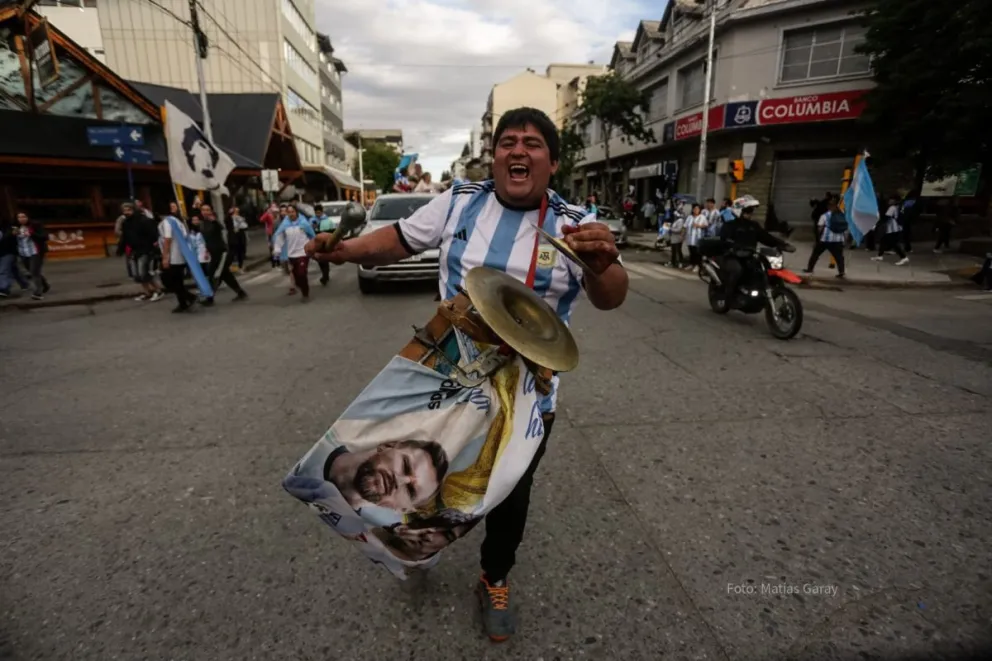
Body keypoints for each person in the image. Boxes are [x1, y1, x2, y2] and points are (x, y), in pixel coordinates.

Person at [306, 106, 628, 642]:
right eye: (508, 142)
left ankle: (494, 576)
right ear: (494, 155)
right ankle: (412, 547)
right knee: (419, 475)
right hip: (442, 378)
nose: (518, 151)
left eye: (532, 143)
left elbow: (611, 294)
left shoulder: (574, 223)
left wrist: (603, 264)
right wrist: (343, 251)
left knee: (507, 492)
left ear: (551, 162)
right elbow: (400, 239)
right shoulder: (460, 202)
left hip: (526, 396)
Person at [323, 440, 449, 514]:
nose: (400, 481)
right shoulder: (319, 442)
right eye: (405, 466)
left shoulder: (350, 535)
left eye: (410, 491)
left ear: (402, 509)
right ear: (388, 445)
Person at [719, 196, 793, 302]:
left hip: (750, 255)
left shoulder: (754, 225)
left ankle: (757, 289)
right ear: (739, 211)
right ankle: (729, 296)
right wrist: (732, 247)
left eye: (751, 211)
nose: (750, 214)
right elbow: (724, 239)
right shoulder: (730, 225)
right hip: (733, 256)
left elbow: (766, 237)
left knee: (762, 268)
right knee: (737, 270)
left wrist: (782, 244)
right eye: (748, 211)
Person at [199, 203, 248, 304]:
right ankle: (241, 293)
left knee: (214, 274)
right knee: (225, 274)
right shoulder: (202, 223)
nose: (205, 212)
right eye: (203, 210)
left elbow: (220, 226)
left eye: (207, 210)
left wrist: (215, 221)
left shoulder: (214, 222)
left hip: (222, 254)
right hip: (213, 254)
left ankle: (210, 298)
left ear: (211, 211)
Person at [117, 202, 165, 302]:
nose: (126, 212)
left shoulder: (143, 220)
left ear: (133, 210)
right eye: (124, 210)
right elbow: (124, 237)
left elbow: (153, 234)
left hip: (145, 250)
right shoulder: (125, 223)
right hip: (133, 250)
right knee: (136, 275)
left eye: (129, 210)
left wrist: (150, 246)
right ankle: (147, 292)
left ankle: (158, 290)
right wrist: (120, 249)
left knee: (143, 272)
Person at [272, 205, 316, 301]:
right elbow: (279, 237)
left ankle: (305, 294)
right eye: (289, 212)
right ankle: (301, 286)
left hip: (303, 253)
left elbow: (312, 236)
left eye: (293, 212)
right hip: (291, 254)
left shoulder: (304, 224)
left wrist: (313, 248)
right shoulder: (285, 225)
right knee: (296, 276)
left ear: (296, 212)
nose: (291, 214)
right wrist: (277, 250)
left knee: (301, 273)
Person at [158, 210, 196, 313]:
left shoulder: (168, 222)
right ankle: (183, 303)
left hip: (173, 257)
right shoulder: (178, 222)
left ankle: (189, 296)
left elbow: (167, 239)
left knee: (168, 280)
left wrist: (165, 257)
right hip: (180, 255)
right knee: (177, 281)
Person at [802, 195, 847, 279]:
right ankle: (841, 271)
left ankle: (810, 269)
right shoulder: (842, 213)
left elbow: (820, 227)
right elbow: (845, 227)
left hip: (826, 239)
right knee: (839, 256)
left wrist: (818, 238)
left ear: (829, 206)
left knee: (815, 254)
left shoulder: (825, 215)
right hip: (838, 239)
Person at [15, 211, 49, 301]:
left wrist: (31, 234)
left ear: (28, 217)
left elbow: (45, 237)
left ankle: (38, 292)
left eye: (24, 217)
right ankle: (45, 285)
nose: (22, 219)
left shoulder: (35, 225)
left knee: (34, 272)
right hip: (23, 253)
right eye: (19, 217)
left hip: (35, 252)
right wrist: (12, 235)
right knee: (32, 271)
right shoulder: (16, 228)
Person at [871, 196, 909, 265]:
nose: (889, 201)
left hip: (893, 228)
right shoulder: (899, 207)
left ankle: (904, 257)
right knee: (883, 240)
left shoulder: (892, 208)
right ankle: (880, 256)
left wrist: (877, 224)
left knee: (894, 243)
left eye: (891, 200)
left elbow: (886, 217)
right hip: (896, 227)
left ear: (895, 201)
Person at [0, 217, 30, 298]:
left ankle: (3, 288)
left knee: (3, 270)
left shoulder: (10, 228)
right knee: (14, 270)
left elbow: (9, 239)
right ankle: (24, 283)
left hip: (8, 252)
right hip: (3, 253)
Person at [187, 216, 211, 300]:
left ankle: (207, 287)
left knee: (204, 271)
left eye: (197, 219)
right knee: (198, 272)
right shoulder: (189, 232)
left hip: (203, 253)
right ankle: (202, 288)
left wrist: (207, 252)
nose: (196, 221)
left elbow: (206, 241)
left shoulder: (202, 230)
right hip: (195, 254)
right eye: (194, 220)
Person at [313, 204, 336, 286]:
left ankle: (325, 276)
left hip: (325, 243)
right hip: (316, 243)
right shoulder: (312, 220)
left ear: (322, 212)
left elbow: (333, 232)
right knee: (320, 260)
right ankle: (325, 274)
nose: (318, 214)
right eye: (316, 213)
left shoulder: (328, 221)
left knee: (325, 259)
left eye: (319, 212)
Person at [685, 203, 709, 271]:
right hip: (690, 237)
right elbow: (685, 226)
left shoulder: (702, 217)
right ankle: (691, 264)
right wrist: (683, 234)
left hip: (698, 237)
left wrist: (699, 226)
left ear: (699, 210)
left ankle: (698, 265)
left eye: (697, 209)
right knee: (691, 251)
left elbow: (706, 225)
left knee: (697, 252)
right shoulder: (690, 217)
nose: (696, 210)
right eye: (694, 209)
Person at [228, 206, 249, 271]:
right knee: (232, 253)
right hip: (233, 238)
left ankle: (240, 266)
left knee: (241, 252)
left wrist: (239, 223)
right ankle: (229, 266)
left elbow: (245, 226)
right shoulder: (229, 219)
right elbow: (229, 225)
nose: (237, 213)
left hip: (240, 237)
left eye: (238, 212)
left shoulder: (240, 218)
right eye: (236, 211)